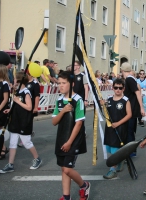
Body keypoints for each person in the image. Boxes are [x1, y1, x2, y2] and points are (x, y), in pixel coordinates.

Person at [52, 71, 90, 200]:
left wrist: (69, 142)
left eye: (64, 83)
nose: (60, 86)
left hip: (73, 140)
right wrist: (63, 111)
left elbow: (79, 123)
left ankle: (84, 185)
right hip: (61, 138)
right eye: (59, 83)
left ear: (72, 84)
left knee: (68, 169)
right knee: (64, 169)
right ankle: (66, 196)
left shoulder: (77, 100)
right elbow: (54, 122)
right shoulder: (59, 100)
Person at [0, 72, 42, 173]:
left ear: (19, 80)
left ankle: (37, 158)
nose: (13, 81)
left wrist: (18, 101)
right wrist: (9, 110)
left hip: (24, 120)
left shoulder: (26, 92)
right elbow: (16, 105)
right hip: (15, 120)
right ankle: (10, 164)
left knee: (26, 142)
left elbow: (29, 107)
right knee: (13, 143)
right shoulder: (17, 91)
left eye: (14, 79)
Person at [101, 79, 132, 179]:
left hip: (120, 127)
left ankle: (112, 170)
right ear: (112, 88)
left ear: (123, 89)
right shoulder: (109, 99)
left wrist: (118, 123)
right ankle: (121, 159)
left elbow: (129, 114)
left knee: (115, 148)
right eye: (116, 88)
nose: (118, 90)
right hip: (110, 128)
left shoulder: (125, 100)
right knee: (110, 147)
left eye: (120, 88)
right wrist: (102, 105)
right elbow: (106, 112)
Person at [121, 63, 145, 157]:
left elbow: (137, 92)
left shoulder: (129, 79)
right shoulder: (130, 79)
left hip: (131, 108)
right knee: (129, 130)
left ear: (122, 70)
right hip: (131, 107)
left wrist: (141, 107)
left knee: (129, 130)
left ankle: (132, 151)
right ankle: (131, 150)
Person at [18, 70, 40, 147]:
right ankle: (28, 133)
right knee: (21, 122)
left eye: (27, 74)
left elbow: (37, 96)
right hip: (23, 105)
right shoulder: (25, 83)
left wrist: (36, 107)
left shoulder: (35, 84)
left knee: (27, 122)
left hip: (31, 106)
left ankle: (26, 139)